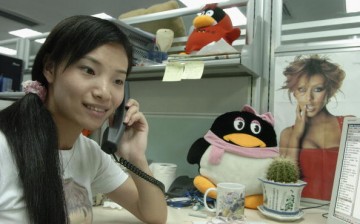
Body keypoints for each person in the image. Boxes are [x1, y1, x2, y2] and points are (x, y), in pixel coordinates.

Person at [0, 15, 167, 224]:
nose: (105, 93)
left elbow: (155, 216)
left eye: (117, 80)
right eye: (89, 70)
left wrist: (136, 157)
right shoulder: (4, 147)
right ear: (50, 69)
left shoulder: (90, 153)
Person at [279, 54, 347, 201]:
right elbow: (285, 186)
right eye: (302, 89)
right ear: (294, 92)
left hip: (339, 215)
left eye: (318, 89)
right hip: (300, 213)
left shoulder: (348, 125)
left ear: (330, 91)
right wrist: (296, 136)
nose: (309, 98)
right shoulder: (287, 134)